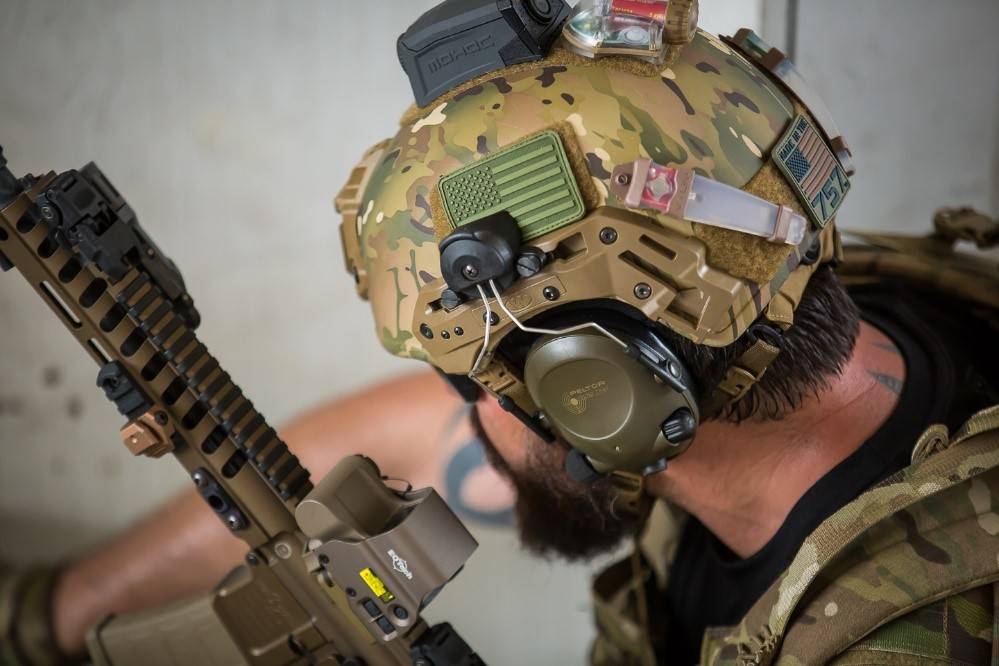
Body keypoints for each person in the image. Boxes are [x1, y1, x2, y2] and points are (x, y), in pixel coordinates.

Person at [4, 1, 999, 664]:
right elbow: (409, 438)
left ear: (589, 392)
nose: (465, 416)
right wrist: (41, 620)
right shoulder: (822, 306)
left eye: (471, 382)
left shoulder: (915, 637)